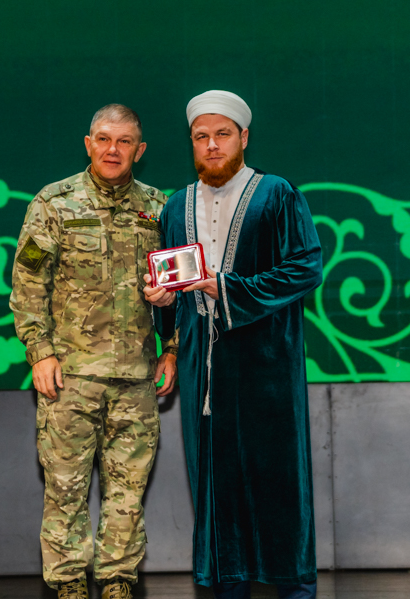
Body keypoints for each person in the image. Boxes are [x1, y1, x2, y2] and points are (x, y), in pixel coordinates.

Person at [144, 90, 323, 599]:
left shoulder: (277, 194)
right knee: (215, 486)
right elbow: (174, 296)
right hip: (204, 369)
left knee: (278, 484)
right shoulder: (175, 206)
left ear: (243, 137)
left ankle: (294, 589)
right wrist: (162, 304)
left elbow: (305, 268)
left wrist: (226, 288)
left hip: (267, 365)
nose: (212, 145)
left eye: (222, 134)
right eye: (201, 136)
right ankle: (228, 587)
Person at [10, 104, 177, 599]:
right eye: (104, 139)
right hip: (71, 377)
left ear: (139, 151)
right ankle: (68, 584)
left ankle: (118, 580)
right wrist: (39, 352)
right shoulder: (54, 203)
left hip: (137, 378)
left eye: (124, 141)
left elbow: (179, 292)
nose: (112, 149)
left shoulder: (162, 209)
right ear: (88, 144)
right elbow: (28, 283)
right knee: (65, 487)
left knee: (128, 491)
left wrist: (171, 350)